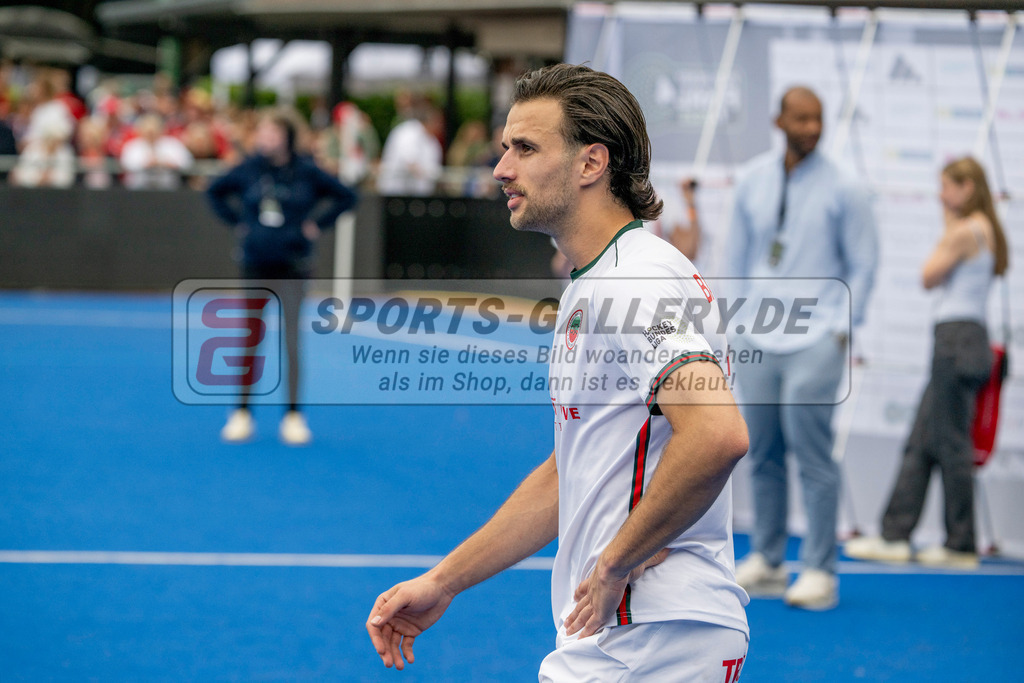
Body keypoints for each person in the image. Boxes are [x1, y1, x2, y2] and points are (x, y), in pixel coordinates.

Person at [366, 63, 750, 680]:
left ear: (591, 163)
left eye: (525, 148)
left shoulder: (633, 279)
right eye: (504, 149)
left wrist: (615, 564)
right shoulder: (599, 281)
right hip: (637, 630)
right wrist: (444, 582)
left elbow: (718, 433)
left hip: (648, 634)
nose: (501, 170)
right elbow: (565, 474)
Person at [724, 86, 878, 610]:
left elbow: (864, 264)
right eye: (802, 118)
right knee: (761, 450)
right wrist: (736, 325)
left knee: (813, 455)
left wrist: (844, 329)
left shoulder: (846, 188)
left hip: (817, 339)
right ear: (780, 121)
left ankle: (819, 570)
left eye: (819, 119)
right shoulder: (751, 181)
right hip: (758, 336)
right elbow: (738, 258)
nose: (812, 127)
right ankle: (767, 561)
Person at [846, 157, 1009, 570]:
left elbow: (928, 275)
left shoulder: (967, 230)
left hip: (957, 341)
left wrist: (948, 221)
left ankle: (960, 544)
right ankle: (895, 535)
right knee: (921, 442)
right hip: (961, 341)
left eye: (947, 187)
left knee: (952, 446)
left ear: (967, 188)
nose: (941, 195)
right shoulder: (982, 229)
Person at [206, 108, 358, 445]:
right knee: (249, 339)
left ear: (287, 136)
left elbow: (346, 196)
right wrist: (238, 223)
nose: (265, 139)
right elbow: (214, 191)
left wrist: (317, 224)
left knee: (291, 340)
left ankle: (292, 415)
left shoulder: (306, 172)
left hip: (294, 265)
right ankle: (242, 413)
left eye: (272, 132)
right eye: (262, 132)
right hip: (255, 264)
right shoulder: (247, 170)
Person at [120, 114, 193, 189]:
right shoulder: (133, 146)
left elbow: (187, 162)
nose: (151, 134)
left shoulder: (172, 144)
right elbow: (125, 164)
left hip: (168, 191)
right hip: (138, 190)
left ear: (161, 129)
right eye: (148, 131)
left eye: (154, 130)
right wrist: (145, 164)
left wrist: (169, 163)